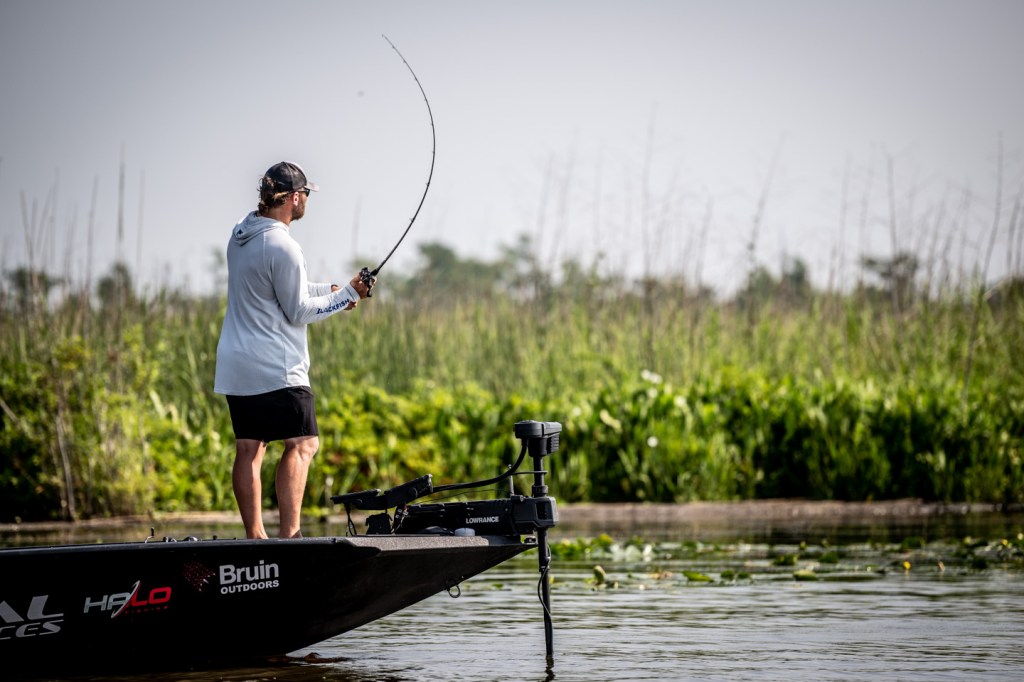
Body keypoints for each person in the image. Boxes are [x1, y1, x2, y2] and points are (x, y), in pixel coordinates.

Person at [214, 161, 372, 539]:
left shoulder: (241, 234)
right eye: (305, 195)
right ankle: (290, 537)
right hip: (276, 366)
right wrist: (348, 295)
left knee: (250, 449)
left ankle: (255, 537)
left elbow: (281, 287)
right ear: (295, 199)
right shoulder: (284, 245)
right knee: (303, 443)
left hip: (236, 364)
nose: (307, 201)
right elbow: (298, 310)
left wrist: (334, 291)